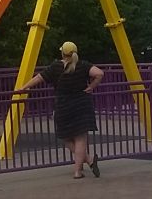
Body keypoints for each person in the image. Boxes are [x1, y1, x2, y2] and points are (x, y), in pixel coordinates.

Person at [21, 41, 105, 179]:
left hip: (63, 106)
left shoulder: (56, 67)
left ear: (62, 53)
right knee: (80, 139)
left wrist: (24, 87)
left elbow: (39, 78)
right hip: (81, 105)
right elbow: (99, 73)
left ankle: (88, 161)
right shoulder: (82, 65)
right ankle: (81, 169)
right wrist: (92, 86)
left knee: (66, 137)